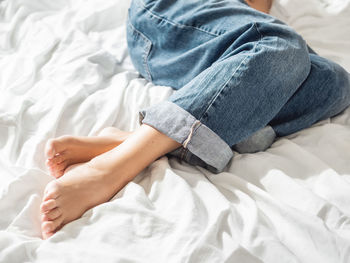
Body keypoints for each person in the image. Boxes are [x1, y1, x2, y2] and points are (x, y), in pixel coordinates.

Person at [39, 0, 350, 239]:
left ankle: (146, 138)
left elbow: (255, 13)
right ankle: (114, 165)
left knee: (333, 82)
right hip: (168, 15)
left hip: (222, 42)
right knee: (277, 44)